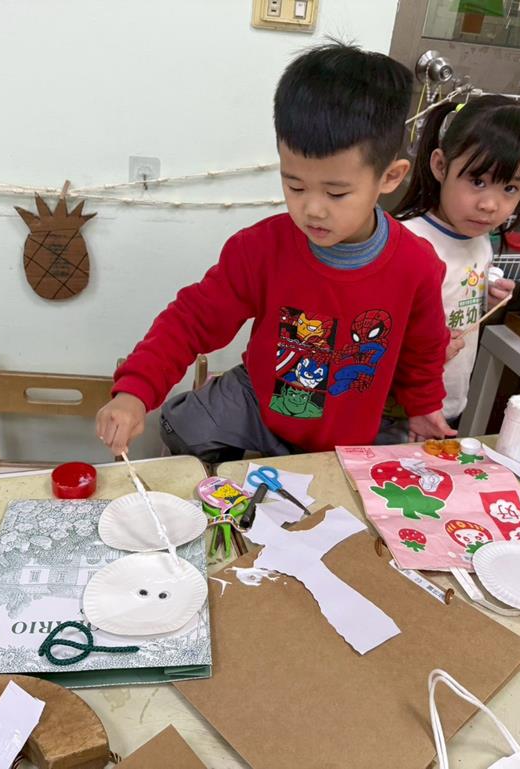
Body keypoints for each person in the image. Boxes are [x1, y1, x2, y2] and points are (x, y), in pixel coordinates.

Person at [95, 42, 454, 462]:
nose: (312, 209)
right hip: (260, 403)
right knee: (182, 426)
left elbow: (424, 348)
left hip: (351, 426)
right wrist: (135, 391)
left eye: (336, 193)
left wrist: (424, 406)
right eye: (295, 185)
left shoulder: (416, 265)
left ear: (390, 177)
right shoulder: (261, 248)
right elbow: (191, 319)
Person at [385, 94, 520, 435]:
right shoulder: (406, 242)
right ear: (440, 166)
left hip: (450, 403)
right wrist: (423, 354)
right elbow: (371, 333)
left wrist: (485, 299)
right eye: (477, 181)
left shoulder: (481, 240)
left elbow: (452, 303)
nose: (489, 204)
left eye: (509, 188)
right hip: (398, 411)